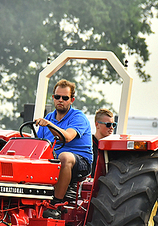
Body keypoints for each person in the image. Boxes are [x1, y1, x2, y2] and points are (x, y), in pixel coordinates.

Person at [34, 79, 92, 218]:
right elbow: (40, 144)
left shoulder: (78, 117)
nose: (60, 100)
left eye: (65, 98)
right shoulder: (49, 117)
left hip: (79, 162)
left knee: (64, 157)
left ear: (71, 100)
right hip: (52, 160)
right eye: (57, 97)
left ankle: (55, 205)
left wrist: (49, 125)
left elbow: (66, 137)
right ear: (53, 98)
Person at [91, 108, 116, 176]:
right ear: (97, 125)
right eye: (108, 124)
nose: (111, 128)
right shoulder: (88, 144)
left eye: (113, 125)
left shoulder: (113, 148)